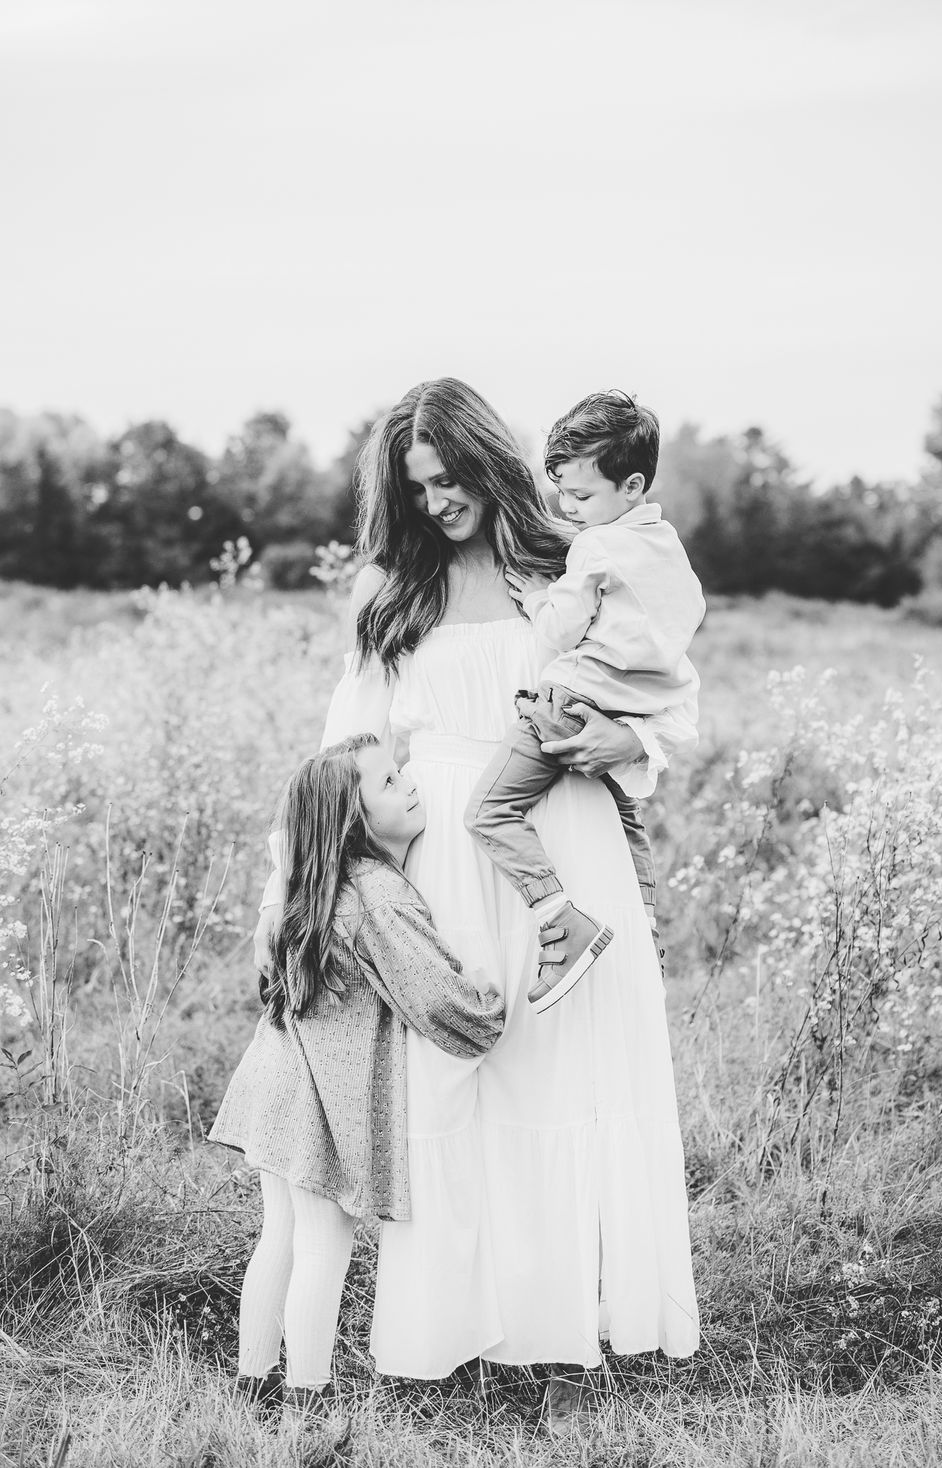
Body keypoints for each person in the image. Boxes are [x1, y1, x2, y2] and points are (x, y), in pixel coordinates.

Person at [255, 377, 699, 1430]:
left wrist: (626, 741)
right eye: (416, 486)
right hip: (439, 864)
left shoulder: (570, 555)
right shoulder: (387, 589)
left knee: (563, 1074)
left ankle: (561, 1327)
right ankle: (449, 1330)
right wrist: (289, 894)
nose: (437, 500)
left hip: (566, 843)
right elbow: (340, 755)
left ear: (488, 463)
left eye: (450, 478)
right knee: (452, 1091)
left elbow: (670, 688)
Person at [211, 733, 505, 1423]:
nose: (407, 783)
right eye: (386, 781)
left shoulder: (314, 888)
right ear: (354, 820)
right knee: (322, 1240)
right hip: (315, 1092)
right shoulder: (376, 896)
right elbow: (436, 1000)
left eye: (400, 771)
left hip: (275, 1078)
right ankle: (306, 1399)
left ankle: (252, 1383)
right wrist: (488, 997)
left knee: (279, 1234)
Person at [464, 389, 705, 1013]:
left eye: (581, 497)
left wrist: (542, 596)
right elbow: (686, 623)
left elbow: (557, 633)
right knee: (630, 835)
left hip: (568, 698)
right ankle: (647, 950)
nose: (569, 510)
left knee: (489, 813)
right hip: (626, 712)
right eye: (561, 496)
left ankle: (558, 920)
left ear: (631, 486)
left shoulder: (596, 548)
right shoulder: (667, 549)